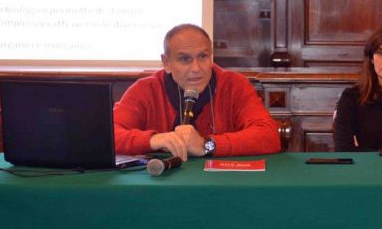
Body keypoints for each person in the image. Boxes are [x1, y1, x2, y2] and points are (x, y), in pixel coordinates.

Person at [114, 24, 280, 159]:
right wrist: (154, 140)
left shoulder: (234, 85)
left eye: (203, 57)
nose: (196, 68)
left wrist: (206, 145)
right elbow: (108, 134)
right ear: (166, 63)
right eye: (184, 59)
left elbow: (268, 135)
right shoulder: (146, 89)